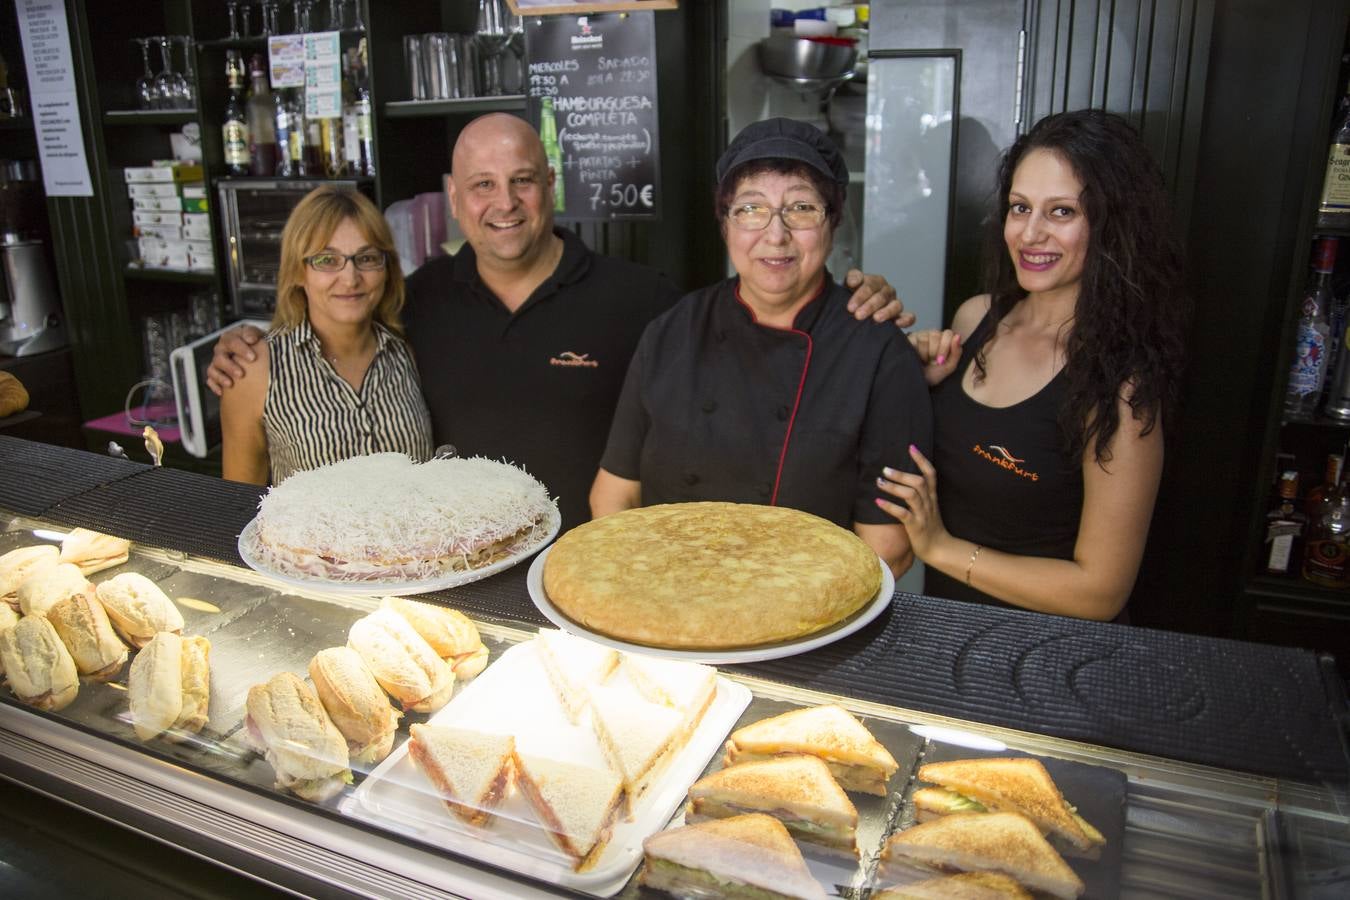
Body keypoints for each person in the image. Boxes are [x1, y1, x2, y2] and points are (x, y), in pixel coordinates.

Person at [208, 114, 913, 530]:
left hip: (589, 576)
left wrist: (850, 302)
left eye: (522, 181)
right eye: (482, 185)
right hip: (457, 574)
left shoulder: (645, 301)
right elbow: (338, 319)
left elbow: (754, 327)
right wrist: (251, 345)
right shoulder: (411, 303)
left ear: (551, 187)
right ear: (455, 200)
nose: (504, 203)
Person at [875, 109, 1188, 620]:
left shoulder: (1121, 386)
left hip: (1049, 656)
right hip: (947, 629)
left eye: (1062, 212)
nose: (1030, 233)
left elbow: (1101, 593)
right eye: (1020, 208)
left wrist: (941, 549)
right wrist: (919, 388)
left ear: (1112, 224)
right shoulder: (975, 319)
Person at [589, 118, 933, 577]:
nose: (776, 234)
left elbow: (886, 551)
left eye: (802, 208)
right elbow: (613, 496)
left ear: (833, 221)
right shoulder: (672, 331)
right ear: (725, 222)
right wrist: (648, 592)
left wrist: (767, 611)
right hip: (666, 598)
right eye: (751, 209)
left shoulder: (878, 353)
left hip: (806, 620)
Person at [220, 186, 434, 485]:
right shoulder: (254, 369)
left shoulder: (408, 350)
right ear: (297, 271)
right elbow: (238, 505)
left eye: (367, 258)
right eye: (326, 260)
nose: (350, 279)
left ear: (387, 269)